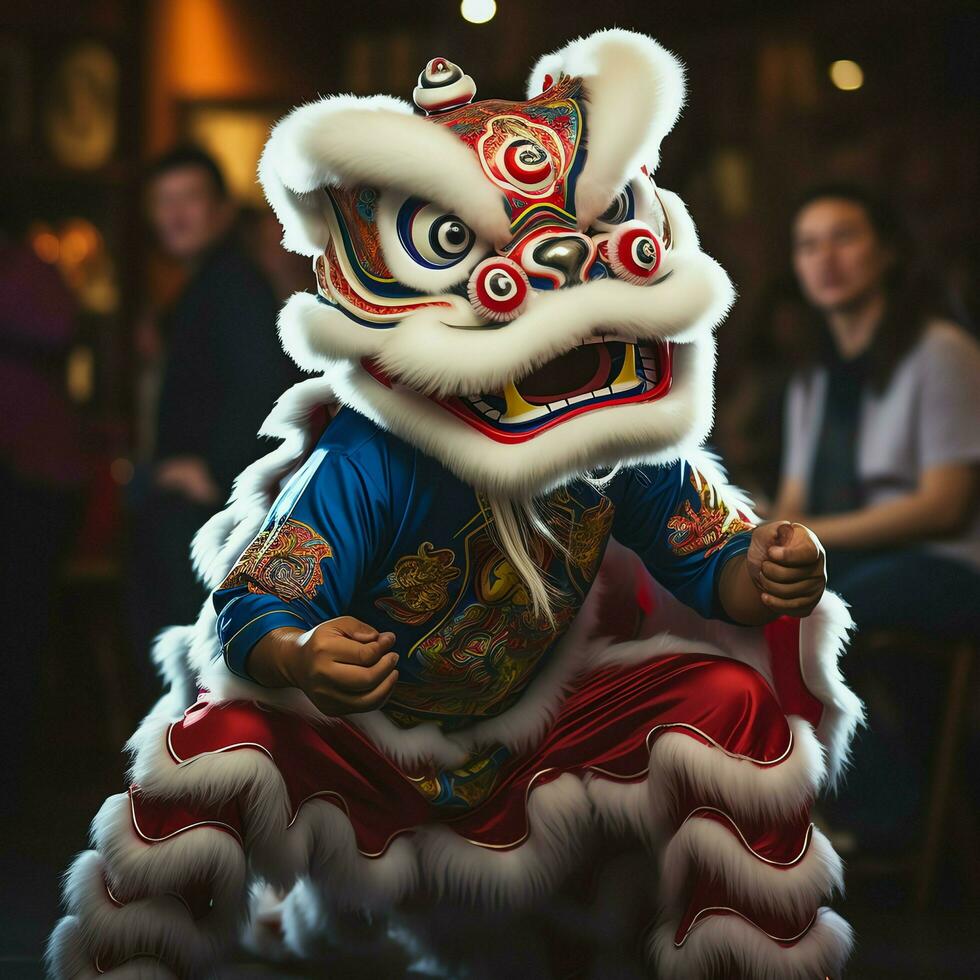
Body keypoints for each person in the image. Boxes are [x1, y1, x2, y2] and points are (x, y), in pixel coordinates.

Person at [51, 33, 861, 979]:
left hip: (533, 741)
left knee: (729, 702)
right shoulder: (378, 451)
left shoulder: (609, 440)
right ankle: (131, 958)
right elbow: (255, 598)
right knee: (210, 743)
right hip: (368, 751)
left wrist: (764, 571)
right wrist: (301, 653)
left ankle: (747, 960)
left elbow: (708, 556)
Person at [775, 183, 980, 854]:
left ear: (888, 252)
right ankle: (855, 808)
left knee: (808, 615)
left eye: (845, 237)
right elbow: (794, 505)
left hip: (948, 566)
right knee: (739, 609)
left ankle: (890, 816)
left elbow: (945, 506)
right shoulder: (812, 377)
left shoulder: (941, 350)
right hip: (855, 562)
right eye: (808, 244)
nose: (825, 258)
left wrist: (807, 538)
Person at [127, 146, 302, 675]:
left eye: (190, 198)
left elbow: (261, 385)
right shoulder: (208, 282)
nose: (175, 213)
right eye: (163, 200)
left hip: (206, 510)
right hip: (198, 506)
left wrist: (215, 469)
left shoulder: (230, 282)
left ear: (221, 209)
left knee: (192, 673)